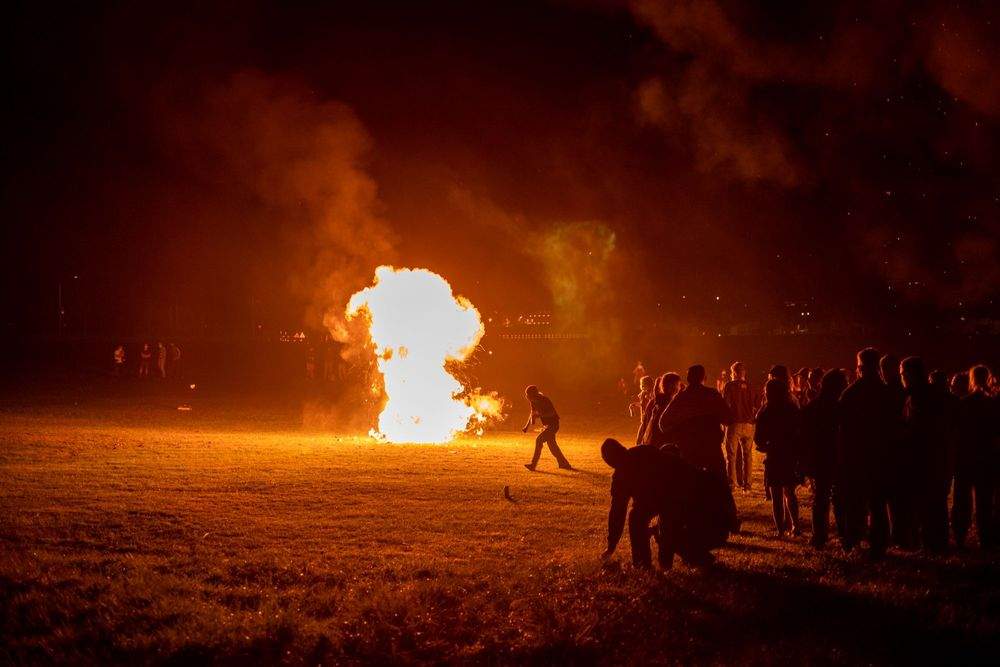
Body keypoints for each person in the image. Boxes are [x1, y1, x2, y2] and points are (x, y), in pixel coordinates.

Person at [601, 439, 734, 569]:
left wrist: (612, 545)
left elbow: (618, 512)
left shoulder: (626, 472)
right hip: (694, 507)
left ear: (612, 463)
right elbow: (618, 512)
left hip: (694, 510)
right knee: (641, 519)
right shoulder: (645, 454)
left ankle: (650, 563)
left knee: (661, 529)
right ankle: (648, 563)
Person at [838, 347, 895, 559]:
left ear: (860, 367)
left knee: (855, 502)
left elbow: (842, 428)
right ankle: (879, 543)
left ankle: (853, 541)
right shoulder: (887, 392)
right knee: (878, 503)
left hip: (857, 455)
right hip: (881, 455)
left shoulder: (852, 393)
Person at [900, 356, 951, 553]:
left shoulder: (917, 396)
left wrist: (904, 433)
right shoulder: (936, 394)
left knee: (927, 503)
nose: (902, 377)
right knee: (935, 503)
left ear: (911, 374)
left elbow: (919, 427)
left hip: (923, 457)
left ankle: (932, 544)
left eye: (903, 374)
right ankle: (938, 543)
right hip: (936, 457)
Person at [658, 365, 733, 478]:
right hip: (711, 448)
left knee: (689, 484)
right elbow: (728, 419)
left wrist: (678, 435)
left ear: (688, 379)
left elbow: (663, 423)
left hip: (689, 449)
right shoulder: (712, 394)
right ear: (704, 377)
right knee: (718, 483)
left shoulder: (681, 397)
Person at [801, 369, 848, 549]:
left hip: (820, 459)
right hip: (837, 458)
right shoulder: (841, 408)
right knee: (839, 498)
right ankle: (844, 536)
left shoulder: (812, 408)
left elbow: (803, 437)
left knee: (821, 498)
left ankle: (820, 537)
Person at [953, 365, 996, 549]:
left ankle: (960, 536)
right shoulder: (994, 403)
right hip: (987, 457)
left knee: (962, 499)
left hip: (966, 457)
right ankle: (985, 537)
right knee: (984, 500)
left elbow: (957, 431)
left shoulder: (965, 403)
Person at [755, 379, 802, 537]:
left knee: (776, 495)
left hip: (774, 455)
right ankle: (795, 525)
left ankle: (781, 530)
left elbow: (758, 438)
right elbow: (799, 432)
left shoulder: (765, 411)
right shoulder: (791, 409)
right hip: (789, 454)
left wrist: (765, 445)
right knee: (790, 492)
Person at [881, 353, 913, 549]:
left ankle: (898, 535)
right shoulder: (906, 391)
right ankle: (904, 534)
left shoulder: (888, 392)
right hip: (905, 450)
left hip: (891, 450)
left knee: (892, 497)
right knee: (902, 497)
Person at [723, 361, 756, 491]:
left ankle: (732, 483)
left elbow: (726, 404)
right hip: (749, 424)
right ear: (744, 372)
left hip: (734, 423)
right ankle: (747, 484)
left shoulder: (730, 386)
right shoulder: (751, 386)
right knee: (747, 455)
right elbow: (755, 405)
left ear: (734, 372)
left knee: (731, 455)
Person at [522, 385, 571, 471]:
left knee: (539, 440)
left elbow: (551, 413)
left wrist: (539, 415)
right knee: (552, 446)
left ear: (534, 394)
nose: (527, 397)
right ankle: (564, 463)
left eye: (528, 395)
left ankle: (533, 465)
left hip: (553, 425)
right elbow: (532, 413)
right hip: (547, 426)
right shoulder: (533, 401)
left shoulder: (544, 400)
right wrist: (527, 426)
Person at [637, 373, 681, 446]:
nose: (678, 387)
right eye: (676, 384)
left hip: (652, 443)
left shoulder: (655, 401)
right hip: (661, 444)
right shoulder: (668, 403)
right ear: (669, 386)